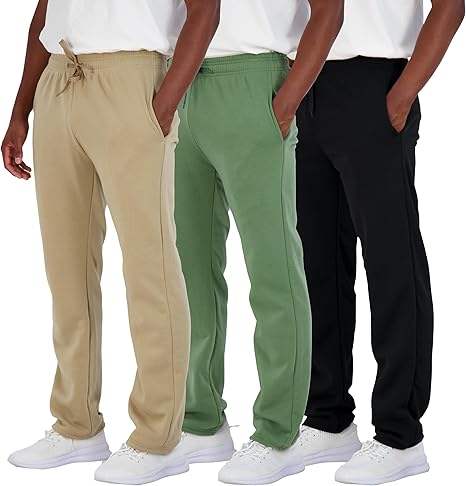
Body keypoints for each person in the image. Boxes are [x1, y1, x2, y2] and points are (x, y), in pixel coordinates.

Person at [2, 1, 220, 483]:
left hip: (132, 80)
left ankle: (159, 437)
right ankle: (76, 424)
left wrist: (165, 104)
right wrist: (21, 111)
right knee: (66, 269)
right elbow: (44, 14)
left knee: (150, 267)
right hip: (59, 76)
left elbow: (205, 10)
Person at [173, 1, 344, 484]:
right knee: (191, 273)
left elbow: (329, 11)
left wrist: (286, 101)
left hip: (254, 80)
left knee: (273, 270)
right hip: (183, 79)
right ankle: (201, 420)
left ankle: (277, 432)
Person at [294, 0, 464, 484]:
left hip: (376, 83)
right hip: (306, 82)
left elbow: (451, 5)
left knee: (392, 263)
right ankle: (327, 417)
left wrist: (403, 93)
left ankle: (399, 433)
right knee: (317, 264)